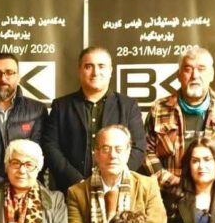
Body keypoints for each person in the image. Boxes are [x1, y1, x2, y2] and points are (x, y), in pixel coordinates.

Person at [144, 47, 215, 214]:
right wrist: (173, 183)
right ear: (179, 75)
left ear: (211, 74)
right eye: (188, 69)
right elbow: (146, 152)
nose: (195, 75)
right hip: (170, 198)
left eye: (201, 69)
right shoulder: (159, 109)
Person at [67, 125, 167, 223]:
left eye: (119, 149)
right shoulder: (76, 193)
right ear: (96, 153)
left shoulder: (148, 186)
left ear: (128, 152)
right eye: (106, 149)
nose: (112, 155)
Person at [43, 47, 145, 192]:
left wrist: (113, 180)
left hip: (117, 191)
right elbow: (51, 147)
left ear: (110, 71)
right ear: (79, 70)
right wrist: (77, 182)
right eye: (88, 66)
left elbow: (138, 147)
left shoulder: (128, 106)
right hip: (71, 190)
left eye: (101, 66)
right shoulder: (61, 106)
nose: (95, 72)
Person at [0, 53, 48, 197]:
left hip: (26, 191)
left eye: (9, 73)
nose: (3, 79)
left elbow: (38, 152)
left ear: (18, 77)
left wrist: (18, 183)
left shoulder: (37, 110)